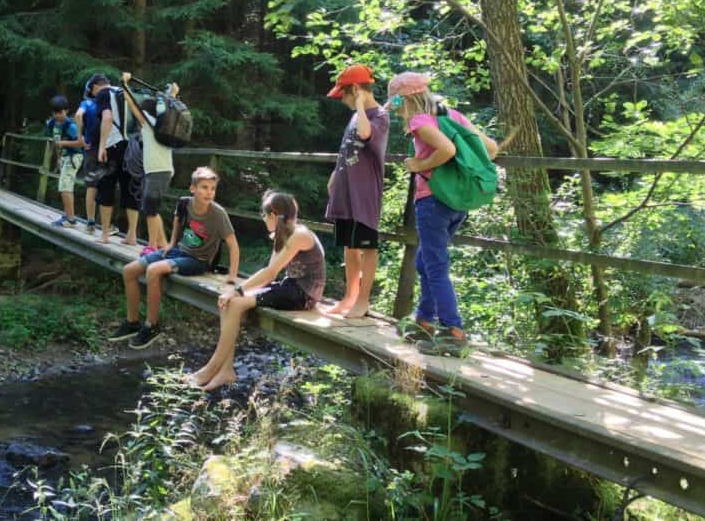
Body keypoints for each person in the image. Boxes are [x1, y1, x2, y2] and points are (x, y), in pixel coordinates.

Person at [387, 71, 498, 350]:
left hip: (433, 201)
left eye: (396, 104)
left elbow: (446, 149)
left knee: (435, 265)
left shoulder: (419, 120)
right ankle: (424, 321)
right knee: (426, 260)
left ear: (406, 99)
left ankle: (453, 331)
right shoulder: (454, 116)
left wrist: (419, 165)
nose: (397, 112)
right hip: (457, 202)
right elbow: (491, 149)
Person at [190, 191, 325, 391]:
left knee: (235, 301)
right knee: (228, 303)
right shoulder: (282, 234)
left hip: (303, 294)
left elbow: (270, 274)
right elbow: (269, 274)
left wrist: (237, 291)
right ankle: (225, 370)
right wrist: (235, 293)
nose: (263, 219)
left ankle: (212, 368)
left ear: (273, 215)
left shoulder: (299, 234)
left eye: (263, 215)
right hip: (290, 287)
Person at [108, 167, 240, 350]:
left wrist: (232, 278)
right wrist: (171, 243)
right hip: (178, 251)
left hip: (198, 261)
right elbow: (178, 219)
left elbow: (233, 245)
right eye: (204, 187)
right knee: (129, 270)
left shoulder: (218, 213)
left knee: (154, 270)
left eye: (212, 188)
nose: (209, 192)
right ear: (193, 189)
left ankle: (152, 325)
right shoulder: (185, 203)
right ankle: (132, 322)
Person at [322, 63, 390, 318]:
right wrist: (333, 177)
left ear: (356, 90)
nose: (343, 100)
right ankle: (349, 297)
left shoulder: (379, 116)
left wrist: (361, 104)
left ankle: (363, 301)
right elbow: (347, 149)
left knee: (367, 248)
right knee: (349, 247)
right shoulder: (356, 115)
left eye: (345, 94)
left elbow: (365, 133)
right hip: (345, 192)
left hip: (365, 195)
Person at [119, 72, 178, 254]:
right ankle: (163, 245)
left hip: (157, 171)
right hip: (161, 170)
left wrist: (124, 83)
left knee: (151, 209)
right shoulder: (164, 123)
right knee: (152, 208)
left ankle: (152, 246)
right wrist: (173, 92)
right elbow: (170, 102)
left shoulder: (148, 123)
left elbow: (131, 103)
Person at [93, 75, 140, 245]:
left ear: (96, 86)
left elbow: (107, 117)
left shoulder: (103, 93)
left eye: (92, 91)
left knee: (106, 187)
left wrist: (101, 146)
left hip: (113, 146)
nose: (93, 96)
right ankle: (132, 236)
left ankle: (105, 234)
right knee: (131, 189)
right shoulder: (125, 91)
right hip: (133, 148)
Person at [45, 95, 85, 227]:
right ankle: (68, 215)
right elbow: (55, 142)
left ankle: (71, 219)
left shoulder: (71, 125)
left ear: (66, 111)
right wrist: (58, 158)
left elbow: (81, 143)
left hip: (74, 156)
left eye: (60, 112)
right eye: (55, 112)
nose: (58, 115)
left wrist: (63, 143)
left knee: (65, 187)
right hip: (64, 157)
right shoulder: (52, 124)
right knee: (64, 186)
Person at [75, 74, 107, 233]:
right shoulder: (108, 103)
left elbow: (78, 115)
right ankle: (105, 225)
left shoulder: (86, 103)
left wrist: (80, 137)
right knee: (106, 185)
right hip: (108, 148)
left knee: (92, 185)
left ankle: (91, 223)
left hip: (91, 148)